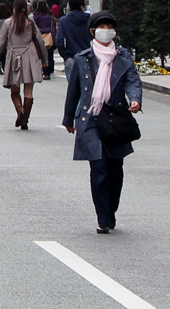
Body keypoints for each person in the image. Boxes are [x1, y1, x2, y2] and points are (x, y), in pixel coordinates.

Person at [61, 12, 143, 233]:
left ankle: (111, 211)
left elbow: (133, 81)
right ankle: (103, 218)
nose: (106, 30)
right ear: (92, 31)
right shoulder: (83, 58)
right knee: (99, 168)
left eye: (110, 26)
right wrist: (69, 118)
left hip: (116, 120)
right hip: (91, 119)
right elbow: (74, 90)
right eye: (102, 26)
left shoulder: (123, 57)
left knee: (115, 170)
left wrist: (135, 99)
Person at [0, 0, 47, 128]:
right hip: (29, 55)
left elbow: (0, 43)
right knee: (28, 91)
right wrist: (45, 60)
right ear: (26, 9)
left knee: (14, 90)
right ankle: (25, 120)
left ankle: (20, 110)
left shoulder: (8, 23)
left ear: (14, 9)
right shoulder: (30, 23)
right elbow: (40, 42)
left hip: (14, 57)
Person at [53, 0, 91, 75]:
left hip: (71, 56)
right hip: (87, 56)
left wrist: (65, 56)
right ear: (82, 7)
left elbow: (59, 40)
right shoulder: (89, 19)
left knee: (72, 86)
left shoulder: (64, 20)